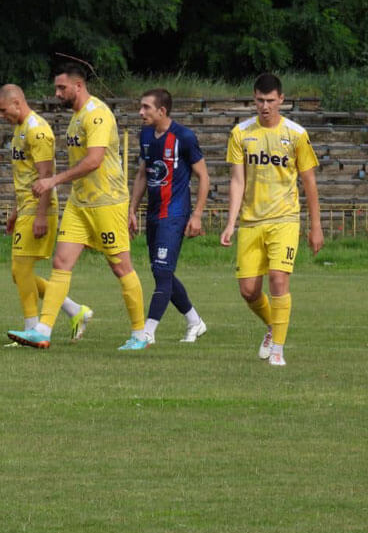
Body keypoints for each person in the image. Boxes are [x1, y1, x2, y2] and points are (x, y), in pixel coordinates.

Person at [24, 63, 147, 350]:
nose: (57, 93)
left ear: (78, 86)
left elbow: (94, 161)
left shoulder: (97, 114)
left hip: (107, 203)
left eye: (62, 88)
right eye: (56, 88)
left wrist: (53, 181)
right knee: (61, 263)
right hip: (79, 203)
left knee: (121, 267)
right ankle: (43, 330)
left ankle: (140, 334)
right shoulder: (76, 118)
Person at [220, 73, 323, 366]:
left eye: (270, 100)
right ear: (254, 100)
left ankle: (278, 348)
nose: (265, 106)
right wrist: (230, 223)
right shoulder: (241, 133)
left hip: (285, 219)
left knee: (278, 279)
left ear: (281, 100)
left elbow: (309, 183)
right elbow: (237, 181)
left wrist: (316, 227)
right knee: (248, 290)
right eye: (259, 100)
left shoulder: (296, 134)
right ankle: (272, 326)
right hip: (251, 221)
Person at [0, 85, 93, 347]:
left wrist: (41, 216)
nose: (2, 116)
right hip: (26, 207)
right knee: (19, 273)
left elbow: (45, 177)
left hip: (37, 208)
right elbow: (24, 176)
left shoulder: (37, 130)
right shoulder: (20, 129)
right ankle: (75, 310)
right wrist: (15, 211)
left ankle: (31, 328)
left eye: (3, 110)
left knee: (21, 269)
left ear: (17, 103)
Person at [128, 89, 210, 343]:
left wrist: (197, 215)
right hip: (153, 215)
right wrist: (132, 210)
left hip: (174, 214)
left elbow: (204, 177)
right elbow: (143, 174)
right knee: (161, 272)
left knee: (162, 273)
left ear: (162, 111)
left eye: (146, 107)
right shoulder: (145, 135)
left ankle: (147, 333)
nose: (141, 112)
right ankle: (195, 322)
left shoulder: (183, 137)